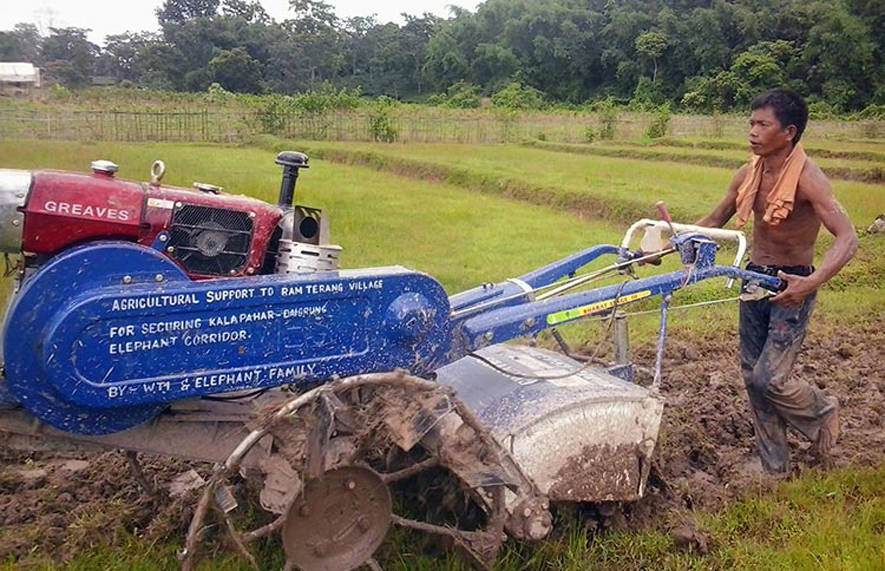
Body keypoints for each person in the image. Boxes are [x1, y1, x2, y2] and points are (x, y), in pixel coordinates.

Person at [697, 88, 858, 475]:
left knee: (770, 377)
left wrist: (812, 282)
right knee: (752, 377)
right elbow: (715, 220)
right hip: (754, 276)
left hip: (793, 282)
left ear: (788, 132)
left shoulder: (809, 179)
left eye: (761, 124)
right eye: (751, 123)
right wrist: (671, 242)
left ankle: (822, 411)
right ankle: (775, 466)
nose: (752, 131)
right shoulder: (748, 173)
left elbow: (848, 238)